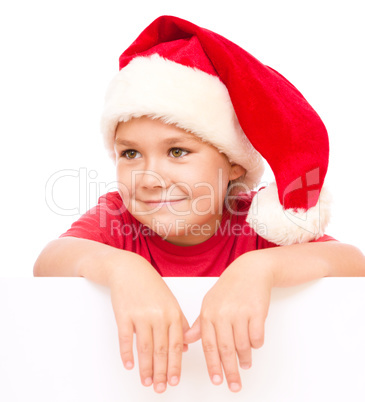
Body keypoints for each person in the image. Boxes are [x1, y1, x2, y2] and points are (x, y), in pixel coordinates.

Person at [33, 15, 365, 394]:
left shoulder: (256, 224)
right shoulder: (117, 219)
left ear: (233, 163)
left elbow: (353, 265)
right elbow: (48, 263)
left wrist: (262, 268)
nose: (148, 176)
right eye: (129, 153)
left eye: (177, 151)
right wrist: (121, 268)